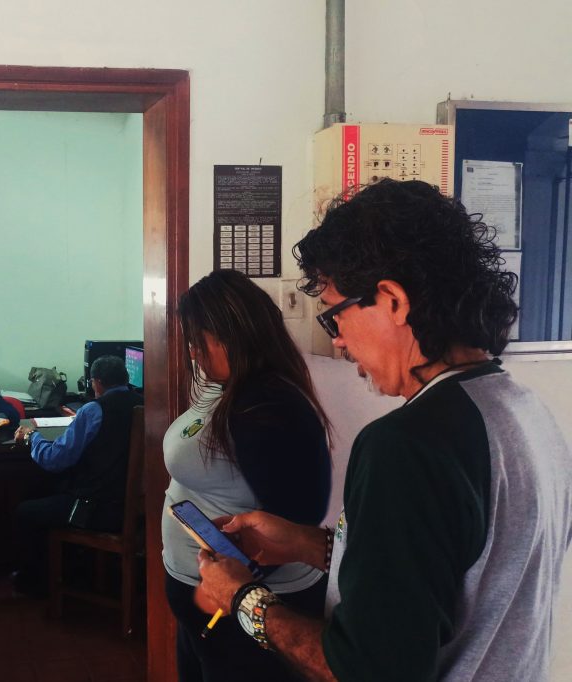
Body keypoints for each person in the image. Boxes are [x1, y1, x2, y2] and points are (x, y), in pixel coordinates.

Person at [196, 179, 572, 682]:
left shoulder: (405, 446)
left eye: (335, 317)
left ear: (392, 299)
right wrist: (311, 545)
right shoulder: (528, 414)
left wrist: (242, 598)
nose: (339, 342)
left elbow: (366, 669)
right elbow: (448, 577)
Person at [162, 269, 332, 682]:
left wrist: (234, 588)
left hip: (247, 604)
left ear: (232, 335)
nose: (193, 353)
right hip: (212, 595)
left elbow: (297, 518)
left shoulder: (269, 405)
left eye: (198, 340)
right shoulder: (230, 388)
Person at [11, 355, 144, 595]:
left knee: (26, 510)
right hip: (136, 512)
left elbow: (54, 460)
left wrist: (32, 436)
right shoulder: (146, 405)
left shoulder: (93, 410)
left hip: (94, 510)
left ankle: (36, 583)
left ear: (96, 382)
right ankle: (81, 570)